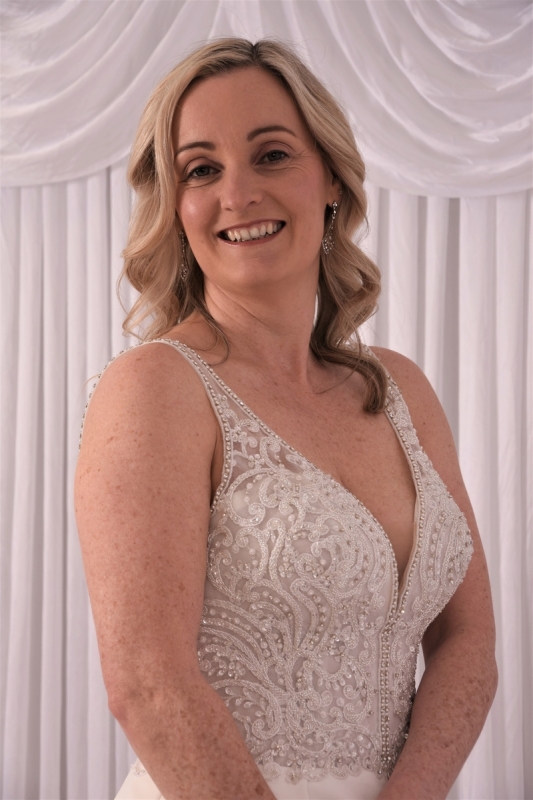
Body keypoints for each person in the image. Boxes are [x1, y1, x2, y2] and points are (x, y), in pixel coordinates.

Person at [75, 38, 497, 800]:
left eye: (270, 155)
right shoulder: (155, 389)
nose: (237, 193)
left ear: (330, 177)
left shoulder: (401, 391)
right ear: (176, 206)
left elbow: (467, 640)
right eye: (201, 170)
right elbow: (148, 684)